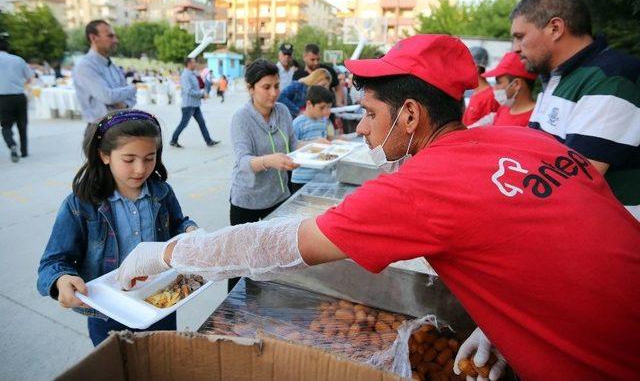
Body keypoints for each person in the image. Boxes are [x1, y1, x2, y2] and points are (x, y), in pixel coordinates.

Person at [117, 35, 640, 381]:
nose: (361, 127)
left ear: (409, 114)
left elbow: (275, 243)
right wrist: (506, 321)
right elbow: (567, 240)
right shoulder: (531, 142)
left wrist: (168, 255)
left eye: (368, 113)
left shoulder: (424, 184)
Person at [37, 109, 198, 346]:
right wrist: (61, 280)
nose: (140, 169)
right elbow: (52, 262)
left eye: (149, 158)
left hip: (160, 302)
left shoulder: (162, 193)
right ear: (104, 155)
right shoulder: (81, 204)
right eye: (129, 159)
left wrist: (190, 231)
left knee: (163, 361)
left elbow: (177, 223)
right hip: (107, 314)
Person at [511, 0, 640, 219]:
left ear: (555, 28)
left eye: (520, 37)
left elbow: (571, 182)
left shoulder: (612, 77)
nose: (515, 49)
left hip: (616, 242)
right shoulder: (557, 77)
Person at [226, 59, 299, 291]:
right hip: (247, 200)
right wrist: (270, 161)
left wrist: (317, 144)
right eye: (266, 87)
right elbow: (243, 161)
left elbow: (294, 146)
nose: (274, 93)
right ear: (250, 88)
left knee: (273, 257)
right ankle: (233, 314)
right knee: (241, 261)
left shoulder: (283, 111)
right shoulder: (241, 118)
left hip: (278, 196)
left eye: (276, 86)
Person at [73, 20, 137, 132]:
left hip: (120, 125)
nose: (116, 40)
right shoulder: (85, 66)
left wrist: (124, 105)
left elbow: (130, 99)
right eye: (110, 36)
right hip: (99, 128)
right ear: (93, 38)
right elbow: (107, 96)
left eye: (115, 36)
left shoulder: (113, 67)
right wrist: (132, 88)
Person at [469, 52, 538, 127]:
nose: (494, 88)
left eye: (498, 83)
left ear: (517, 84)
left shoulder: (534, 121)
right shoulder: (504, 109)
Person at [291, 86, 334, 193]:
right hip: (301, 178)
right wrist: (313, 144)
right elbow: (290, 146)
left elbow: (326, 142)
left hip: (321, 175)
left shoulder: (323, 121)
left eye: (329, 107)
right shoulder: (298, 123)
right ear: (309, 104)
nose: (326, 111)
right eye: (322, 107)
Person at [169, 58, 220, 148]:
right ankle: (173, 140)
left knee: (202, 123)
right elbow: (188, 90)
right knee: (183, 124)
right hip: (188, 105)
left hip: (195, 104)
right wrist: (202, 95)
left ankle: (209, 141)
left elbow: (200, 82)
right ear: (188, 64)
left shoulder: (192, 74)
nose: (195, 64)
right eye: (194, 62)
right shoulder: (185, 75)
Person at [0, 32, 33, 162]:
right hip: (19, 96)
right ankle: (24, 151)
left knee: (6, 126)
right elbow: (30, 78)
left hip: (3, 98)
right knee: (22, 125)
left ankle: (12, 145)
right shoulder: (18, 59)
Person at [462, 47, 499, 126]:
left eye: (465, 65)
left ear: (476, 67)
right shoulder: (475, 92)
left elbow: (487, 129)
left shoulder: (489, 97)